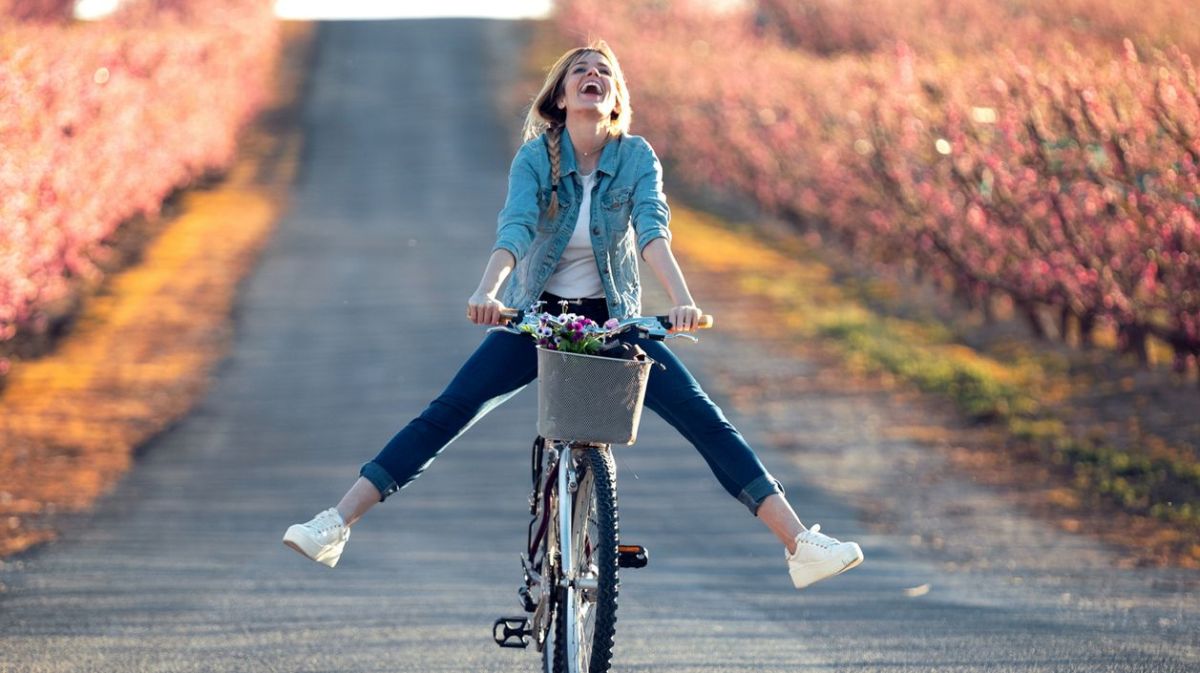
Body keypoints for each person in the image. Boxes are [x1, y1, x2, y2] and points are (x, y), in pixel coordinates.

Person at [283, 40, 863, 590]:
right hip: (539, 319)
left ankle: (799, 546)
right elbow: (514, 228)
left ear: (615, 98)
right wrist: (489, 292)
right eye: (581, 70)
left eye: (604, 71)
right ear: (561, 95)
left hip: (613, 322)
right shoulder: (536, 158)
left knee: (705, 420)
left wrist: (682, 301)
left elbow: (652, 231)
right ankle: (335, 524)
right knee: (449, 411)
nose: (593, 75)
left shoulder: (636, 156)